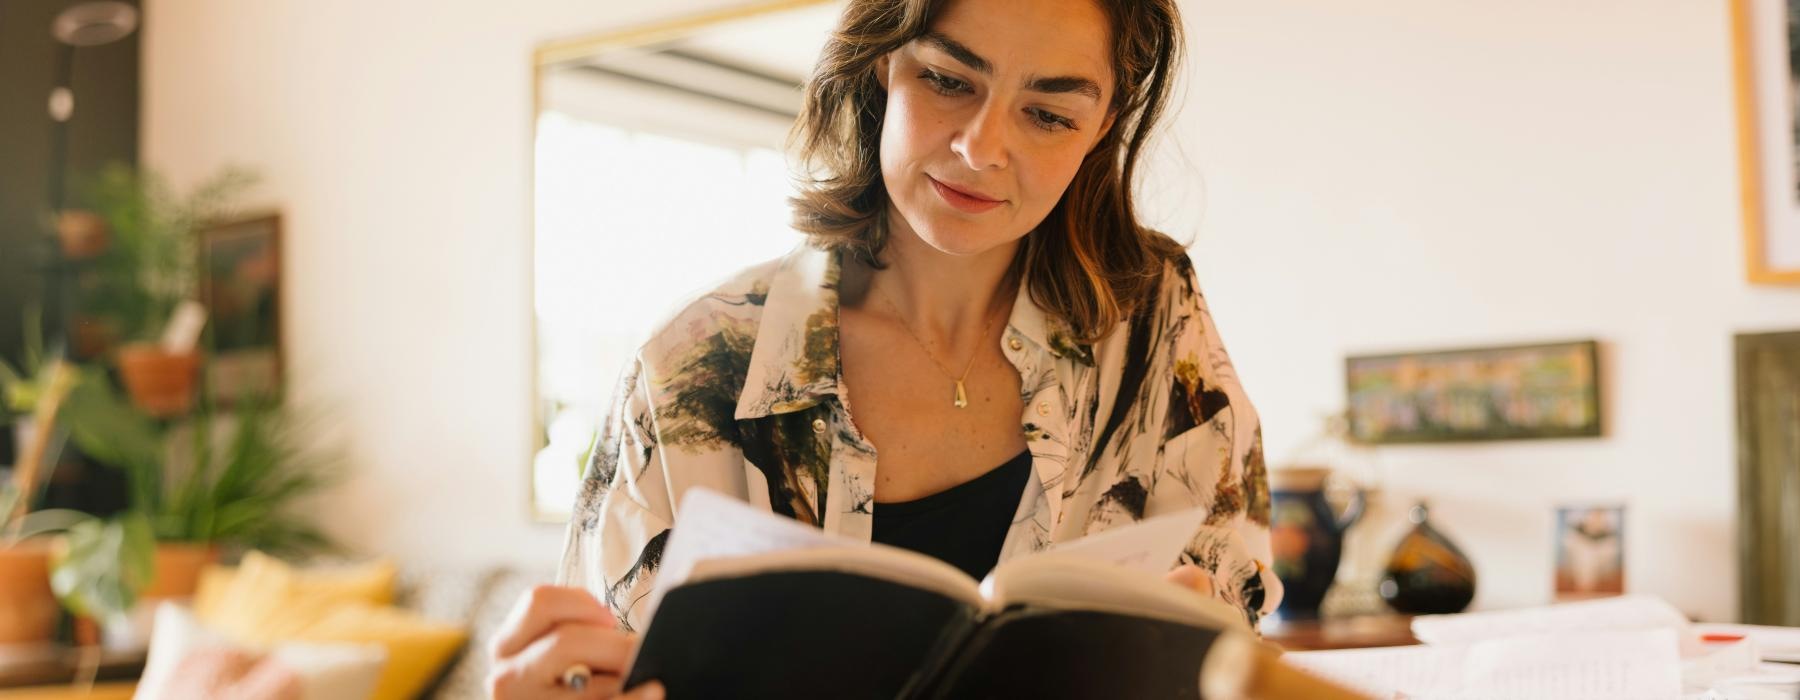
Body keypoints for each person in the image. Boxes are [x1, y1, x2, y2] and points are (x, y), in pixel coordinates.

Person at [488, 0, 1282, 696]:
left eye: (1048, 114)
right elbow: (602, 668)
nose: (982, 147)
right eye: (948, 80)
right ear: (881, 64)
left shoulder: (1151, 319)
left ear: (1100, 127)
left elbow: (1230, 602)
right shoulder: (695, 366)